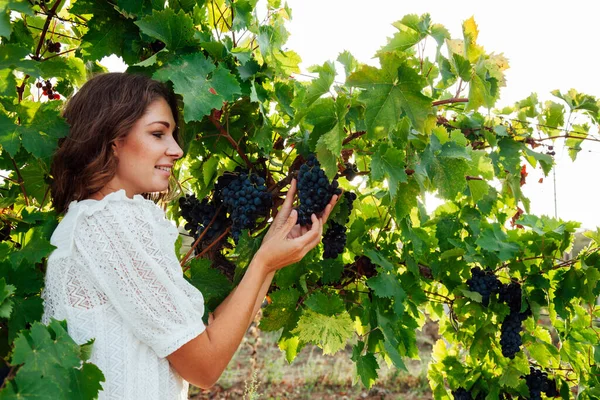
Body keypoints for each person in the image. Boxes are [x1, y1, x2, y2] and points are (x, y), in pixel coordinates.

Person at [41, 72, 337, 399]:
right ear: (112, 141)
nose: (177, 149)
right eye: (158, 134)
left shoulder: (94, 222)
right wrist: (264, 262)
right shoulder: (111, 222)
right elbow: (203, 368)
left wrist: (269, 255)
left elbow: (204, 333)